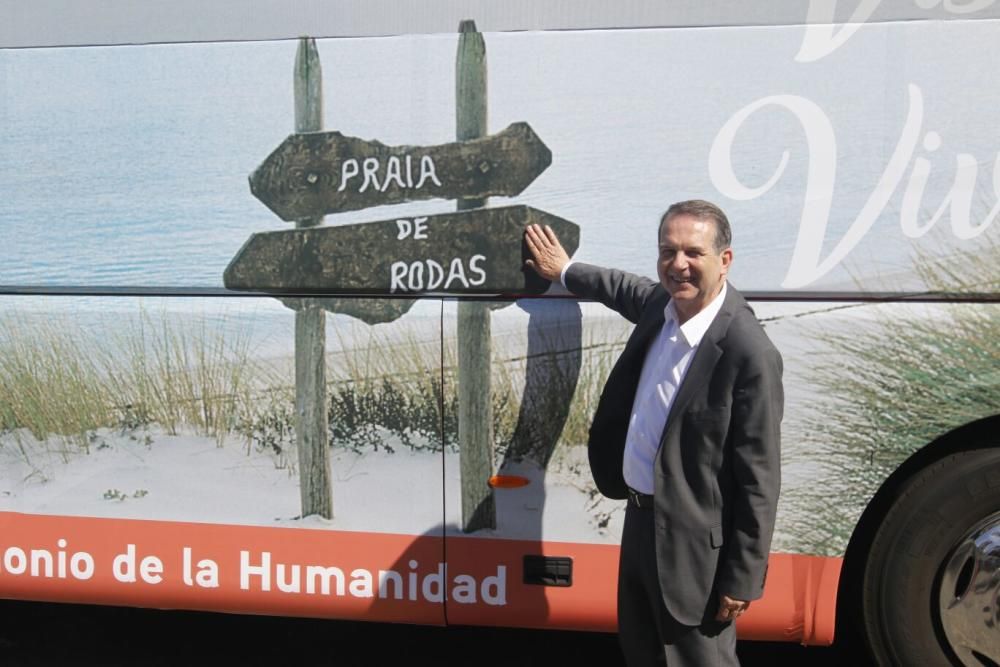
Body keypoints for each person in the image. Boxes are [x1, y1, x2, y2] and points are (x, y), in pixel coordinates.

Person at [524, 200, 782, 667]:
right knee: (641, 653)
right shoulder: (661, 306)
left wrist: (743, 577)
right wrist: (565, 270)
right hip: (640, 523)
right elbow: (620, 287)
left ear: (724, 260)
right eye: (668, 252)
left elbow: (759, 478)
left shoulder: (747, 352)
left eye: (693, 253)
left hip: (692, 550)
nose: (678, 265)